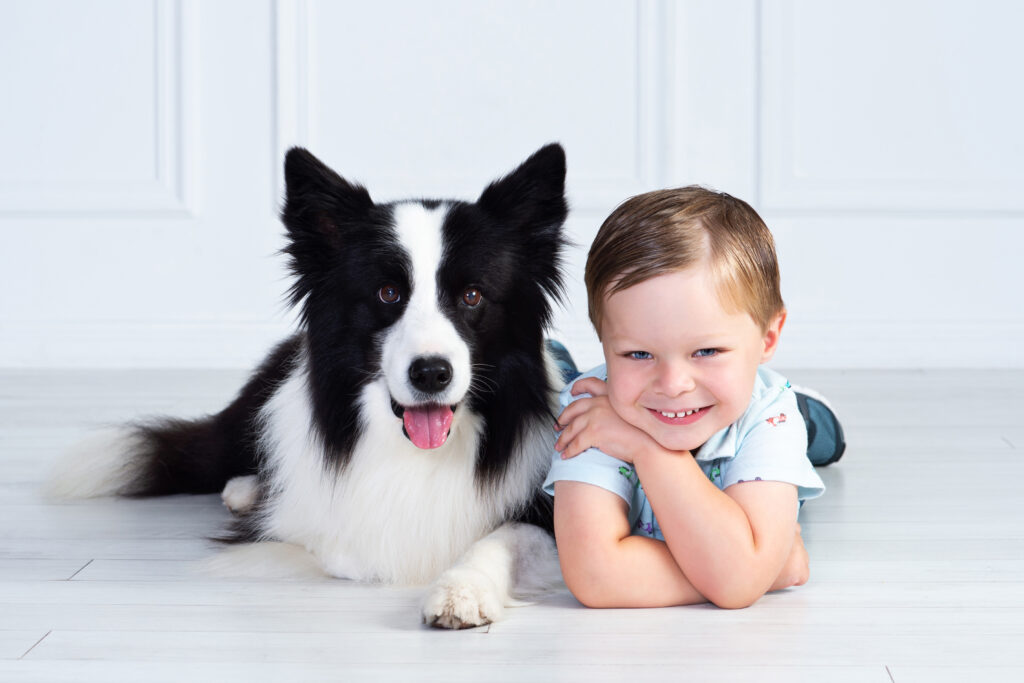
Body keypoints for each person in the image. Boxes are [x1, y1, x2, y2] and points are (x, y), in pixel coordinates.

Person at [543, 186, 843, 610]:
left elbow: (738, 582)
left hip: (747, 414)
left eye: (706, 351)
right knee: (551, 375)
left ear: (768, 337)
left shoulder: (768, 414)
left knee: (796, 423)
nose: (672, 382)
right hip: (701, 410)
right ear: (605, 344)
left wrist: (646, 449)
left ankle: (812, 418)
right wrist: (763, 569)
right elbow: (595, 576)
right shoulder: (594, 409)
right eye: (638, 353)